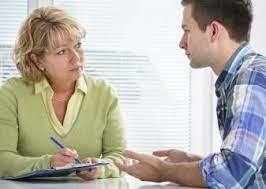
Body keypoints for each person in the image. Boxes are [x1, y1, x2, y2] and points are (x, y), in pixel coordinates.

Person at [115, 0, 266, 188]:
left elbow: (232, 174)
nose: (181, 43)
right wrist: (189, 162)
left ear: (213, 31)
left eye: (187, 30)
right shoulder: (242, 77)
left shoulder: (251, 78)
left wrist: (162, 170)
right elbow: (252, 169)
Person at [0, 6, 126, 180]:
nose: (76, 57)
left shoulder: (104, 93)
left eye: (78, 45)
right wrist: (49, 164)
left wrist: (100, 169)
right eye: (62, 51)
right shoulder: (11, 94)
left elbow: (120, 156)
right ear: (37, 60)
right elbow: (2, 160)